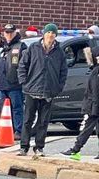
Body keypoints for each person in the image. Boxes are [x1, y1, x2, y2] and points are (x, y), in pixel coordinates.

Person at [17, 23, 68, 158]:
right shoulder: (33, 48)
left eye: (53, 33)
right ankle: (24, 146)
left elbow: (63, 72)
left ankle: (39, 147)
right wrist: (24, 82)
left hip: (49, 91)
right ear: (44, 34)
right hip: (31, 89)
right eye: (48, 32)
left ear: (55, 35)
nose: (50, 35)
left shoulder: (59, 52)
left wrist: (58, 87)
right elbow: (22, 66)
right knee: (28, 120)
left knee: (43, 121)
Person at [0, 23, 26, 138]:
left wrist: (21, 79)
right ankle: (5, 130)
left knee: (17, 108)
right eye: (7, 32)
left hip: (14, 84)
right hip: (3, 84)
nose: (9, 35)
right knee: (4, 109)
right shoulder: (4, 48)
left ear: (15, 33)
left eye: (11, 32)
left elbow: (24, 65)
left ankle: (19, 130)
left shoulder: (21, 46)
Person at [64, 53, 98, 159]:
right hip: (94, 104)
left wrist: (94, 107)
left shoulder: (96, 72)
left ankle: (76, 149)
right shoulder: (95, 70)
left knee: (87, 128)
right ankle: (76, 149)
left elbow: (95, 91)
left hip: (94, 105)